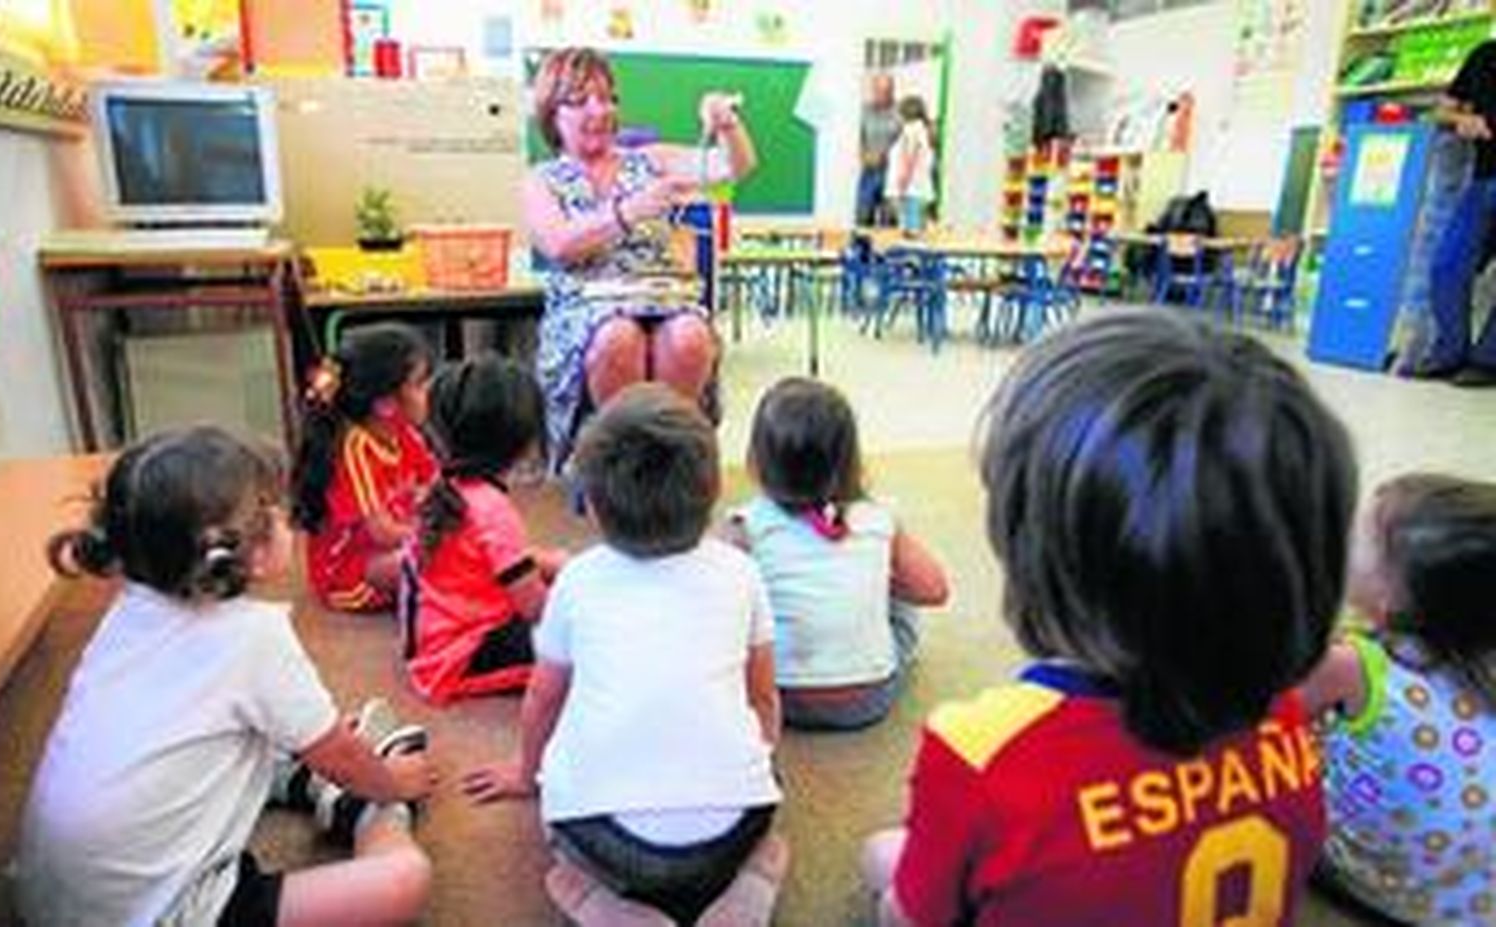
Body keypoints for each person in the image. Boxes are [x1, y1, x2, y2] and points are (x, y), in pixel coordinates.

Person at [862, 310, 1358, 927]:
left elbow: (917, 918)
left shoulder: (981, 751)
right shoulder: (1285, 716)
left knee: (881, 863)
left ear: (1029, 548)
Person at [17, 426, 434, 927]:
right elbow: (340, 756)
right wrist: (388, 784)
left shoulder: (129, 608)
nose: (285, 518)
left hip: (53, 901)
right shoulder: (253, 639)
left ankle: (317, 786)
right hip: (166, 911)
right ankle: (368, 812)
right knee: (402, 880)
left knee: (263, 735)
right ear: (244, 553)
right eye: (272, 510)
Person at [462, 385, 787, 927]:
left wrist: (527, 771)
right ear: (712, 491)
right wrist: (759, 763)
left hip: (601, 834)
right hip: (732, 832)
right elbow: (762, 697)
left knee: (559, 849)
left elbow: (543, 698)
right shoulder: (741, 572)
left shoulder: (577, 580)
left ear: (591, 503)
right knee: (773, 847)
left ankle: (602, 907)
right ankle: (741, 901)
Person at [524, 47, 758, 472]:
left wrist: (726, 123)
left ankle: (671, 467)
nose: (600, 110)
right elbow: (557, 243)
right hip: (586, 305)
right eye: (580, 101)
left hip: (664, 298)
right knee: (617, 340)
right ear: (551, 112)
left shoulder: (649, 160)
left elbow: (734, 167)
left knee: (690, 338)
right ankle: (622, 473)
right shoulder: (542, 179)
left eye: (607, 97)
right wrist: (627, 212)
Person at [1299, 474, 1496, 925]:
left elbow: (1271, 712)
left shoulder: (1353, 667)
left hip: (1376, 885)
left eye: (1357, 539)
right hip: (1467, 900)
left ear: (1388, 604)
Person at [725, 377, 948, 730]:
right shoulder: (877, 517)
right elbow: (933, 590)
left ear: (756, 460)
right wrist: (873, 579)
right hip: (869, 697)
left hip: (779, 693)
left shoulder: (745, 525)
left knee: (745, 593)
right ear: (850, 461)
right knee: (900, 595)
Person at [402, 356, 564, 704]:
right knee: (577, 645)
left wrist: (553, 564)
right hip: (463, 657)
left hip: (434, 641)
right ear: (523, 441)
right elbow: (535, 608)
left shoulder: (443, 486)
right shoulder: (493, 508)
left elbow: (482, 559)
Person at [292, 323, 436, 612]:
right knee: (432, 558)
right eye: (419, 384)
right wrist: (435, 535)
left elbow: (435, 483)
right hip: (352, 571)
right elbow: (380, 531)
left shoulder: (403, 432)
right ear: (385, 404)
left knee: (465, 548)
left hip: (393, 543)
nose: (429, 392)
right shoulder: (356, 448)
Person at [1418, 40, 1496, 385]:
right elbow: (1441, 111)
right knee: (1447, 266)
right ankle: (1450, 352)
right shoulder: (1483, 55)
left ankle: (1488, 361)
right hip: (1483, 180)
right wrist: (1464, 119)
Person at [885, 95, 936, 238]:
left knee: (910, 231)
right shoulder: (923, 131)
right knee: (916, 228)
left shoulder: (912, 130)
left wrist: (902, 182)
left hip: (910, 190)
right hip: (917, 188)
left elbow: (909, 157)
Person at [857, 73, 900, 228]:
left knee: (890, 219)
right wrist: (863, 155)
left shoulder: (899, 112)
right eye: (878, 90)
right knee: (863, 214)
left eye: (886, 91)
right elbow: (858, 138)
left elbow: (904, 143)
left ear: (892, 91)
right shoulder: (863, 111)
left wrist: (886, 156)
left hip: (891, 173)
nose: (881, 95)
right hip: (869, 171)